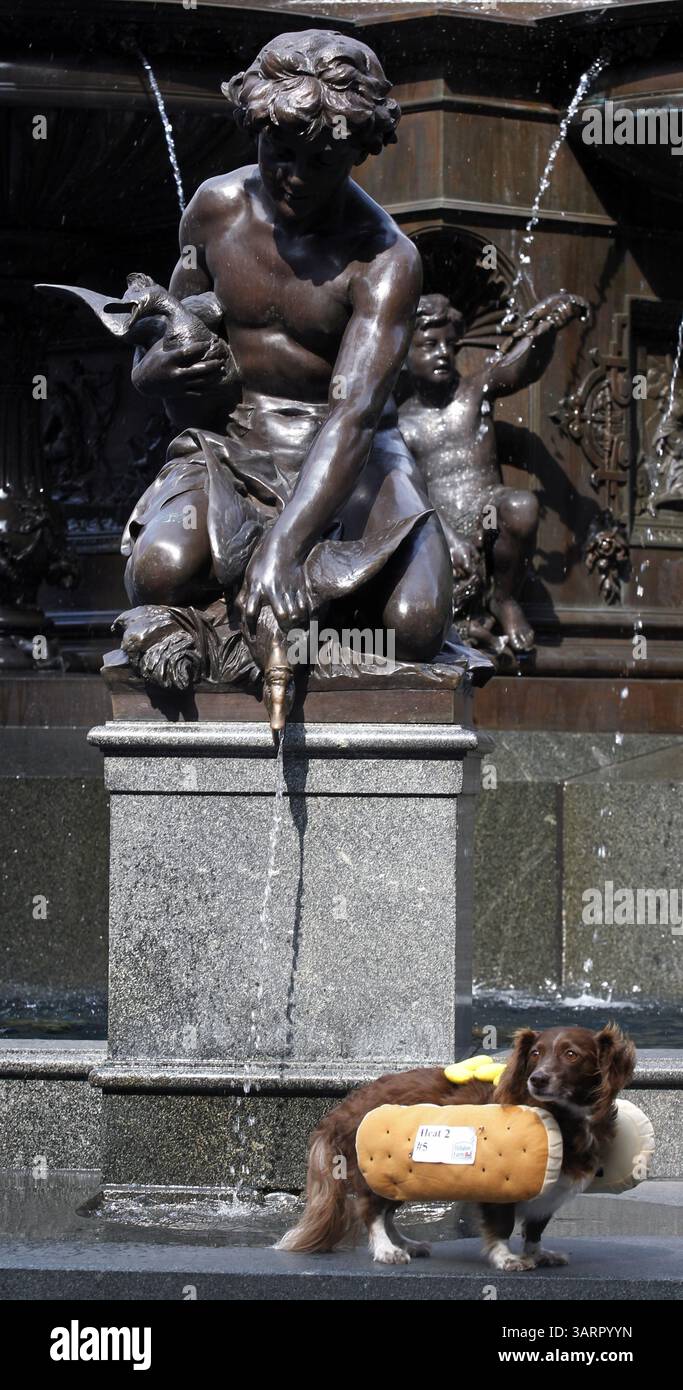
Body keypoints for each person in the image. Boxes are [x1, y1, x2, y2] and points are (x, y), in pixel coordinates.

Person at [123, 29, 453, 697]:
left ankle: (263, 629)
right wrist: (148, 372)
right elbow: (169, 325)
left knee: (415, 626)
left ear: (359, 154)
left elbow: (354, 417)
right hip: (235, 441)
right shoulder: (215, 210)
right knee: (156, 571)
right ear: (255, 130)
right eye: (281, 152)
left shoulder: (386, 260)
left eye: (321, 160)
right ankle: (267, 628)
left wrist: (285, 546)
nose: (294, 176)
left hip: (351, 459)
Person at [399, 290, 588, 653]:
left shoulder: (474, 391)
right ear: (404, 354)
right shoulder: (402, 424)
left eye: (448, 345)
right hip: (439, 528)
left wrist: (546, 329)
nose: (442, 354)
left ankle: (504, 598)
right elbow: (407, 491)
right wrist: (449, 537)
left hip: (488, 513)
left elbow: (522, 367)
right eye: (427, 345)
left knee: (521, 506)